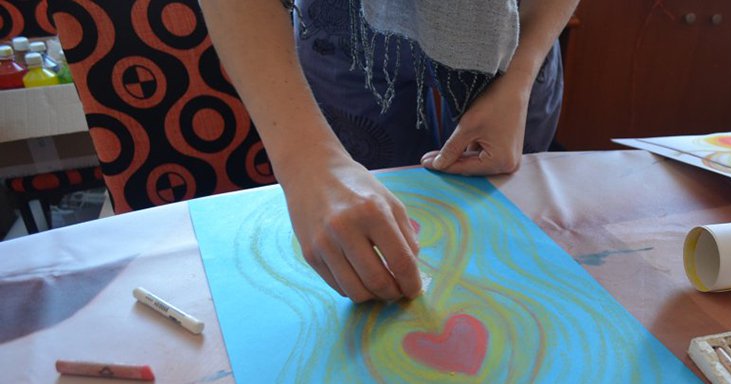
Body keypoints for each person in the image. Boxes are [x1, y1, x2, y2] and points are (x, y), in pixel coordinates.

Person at [200, 0, 579, 303]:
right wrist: (306, 161)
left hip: (514, 35)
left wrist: (520, 76)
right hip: (342, 31)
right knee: (364, 250)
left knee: (502, 250)